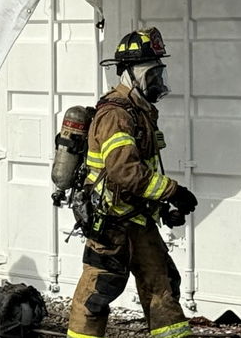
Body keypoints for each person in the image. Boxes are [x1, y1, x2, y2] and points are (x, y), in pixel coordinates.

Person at [67, 28, 196, 338]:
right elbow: (124, 172)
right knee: (98, 293)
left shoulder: (140, 112)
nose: (157, 80)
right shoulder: (115, 115)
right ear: (129, 74)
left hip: (137, 219)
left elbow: (144, 168)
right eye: (151, 73)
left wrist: (163, 204)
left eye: (159, 72)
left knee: (162, 284)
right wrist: (173, 190)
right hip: (110, 223)